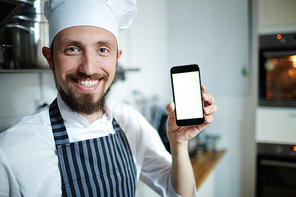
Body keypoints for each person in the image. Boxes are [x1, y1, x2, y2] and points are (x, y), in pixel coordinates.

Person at [0, 0, 217, 196]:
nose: (88, 68)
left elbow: (180, 193)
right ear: (50, 58)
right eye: (72, 49)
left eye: (102, 49)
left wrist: (178, 143)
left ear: (116, 58)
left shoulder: (130, 120)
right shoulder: (11, 150)